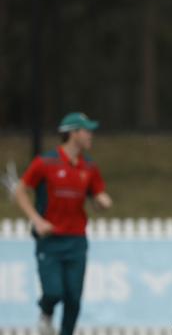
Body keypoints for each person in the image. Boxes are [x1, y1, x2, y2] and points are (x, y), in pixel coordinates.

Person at [14, 112, 113, 335]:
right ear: (73, 133)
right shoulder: (45, 162)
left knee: (73, 299)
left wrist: (102, 201)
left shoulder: (88, 166)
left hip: (77, 240)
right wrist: (37, 220)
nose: (90, 135)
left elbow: (98, 194)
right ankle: (45, 313)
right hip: (50, 240)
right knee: (53, 293)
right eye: (86, 130)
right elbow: (20, 190)